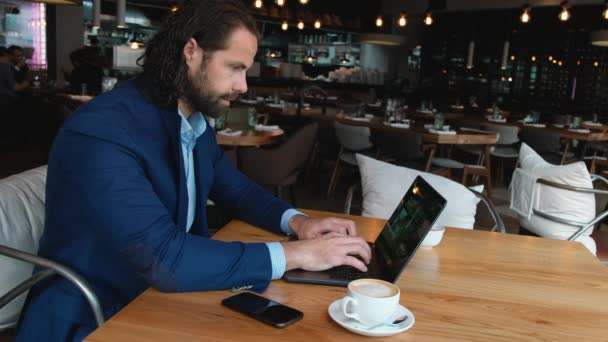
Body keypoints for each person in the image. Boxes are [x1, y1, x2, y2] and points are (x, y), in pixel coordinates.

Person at [15, 1, 371, 341]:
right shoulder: (102, 131)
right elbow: (165, 260)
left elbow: (239, 192)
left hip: (162, 297)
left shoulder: (190, 122)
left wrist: (300, 224)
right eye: (235, 67)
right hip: (97, 313)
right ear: (192, 52)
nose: (243, 86)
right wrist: (298, 254)